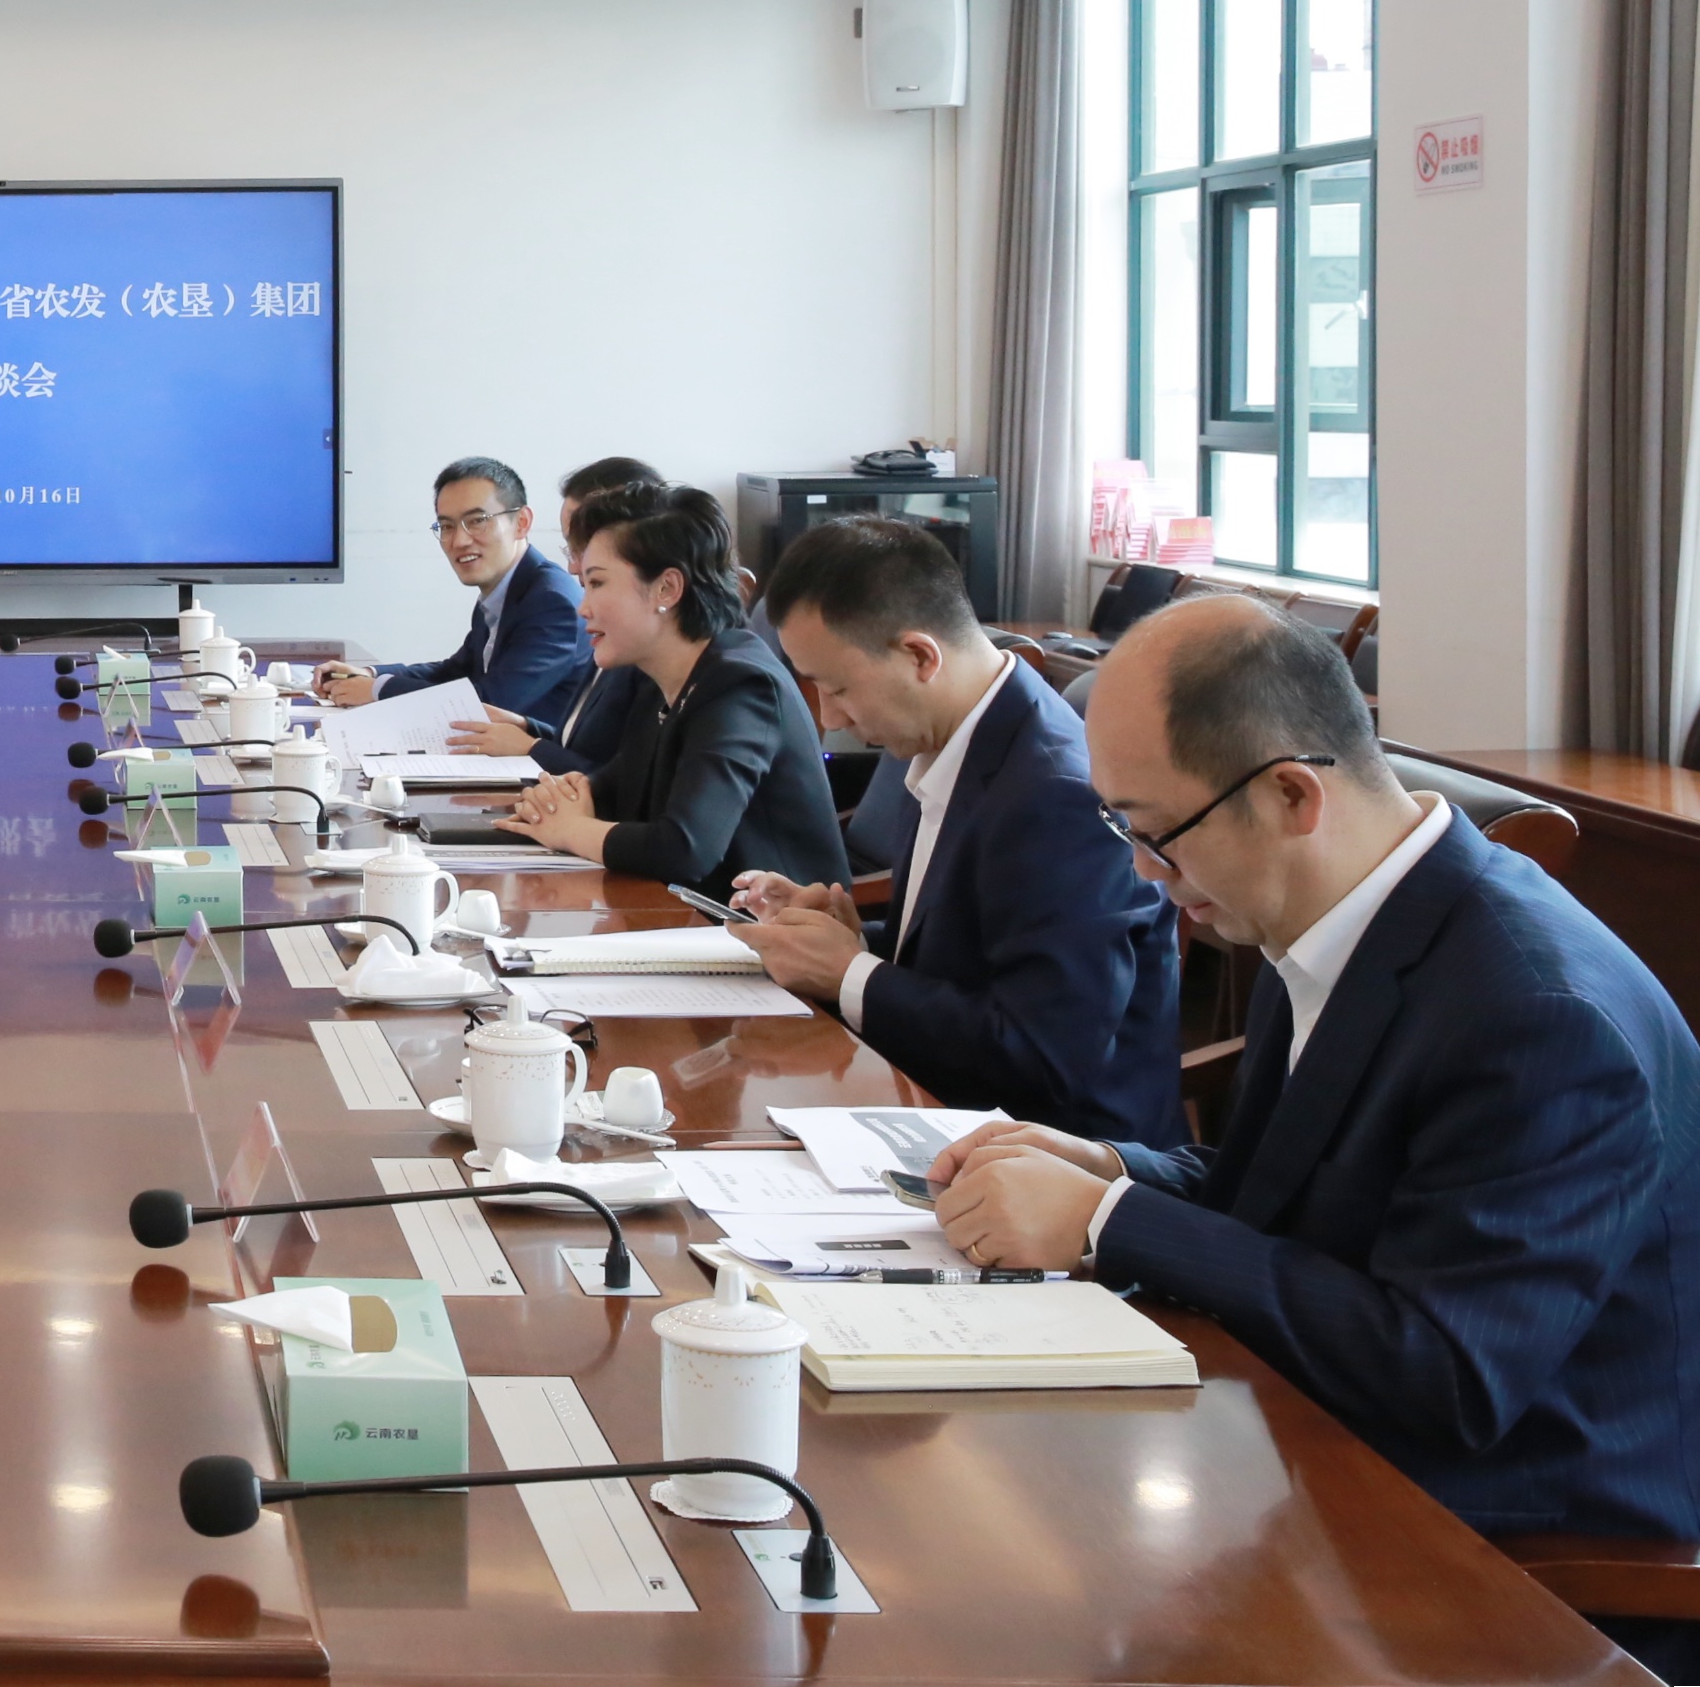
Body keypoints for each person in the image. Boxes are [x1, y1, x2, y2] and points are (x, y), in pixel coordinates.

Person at [927, 599, 1700, 1649]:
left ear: (1292, 793)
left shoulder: (1538, 1018)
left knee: (1023, 1610)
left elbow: (1446, 1372)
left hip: (1515, 1550)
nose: (1143, 873)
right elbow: (1295, 1193)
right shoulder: (1343, 915)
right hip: (1326, 1443)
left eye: (1156, 833)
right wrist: (1109, 1167)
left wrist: (1109, 1221)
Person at [725, 517, 1181, 1143]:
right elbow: (972, 950)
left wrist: (851, 973)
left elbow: (1044, 1054)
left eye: (837, 688)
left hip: (1056, 1155)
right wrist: (845, 938)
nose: (830, 719)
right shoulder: (961, 737)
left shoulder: (1058, 796)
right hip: (942, 1106)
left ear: (920, 656)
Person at [501, 482, 840, 886]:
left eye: (597, 583)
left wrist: (571, 830)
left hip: (764, 920)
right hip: (684, 912)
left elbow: (686, 849)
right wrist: (571, 794)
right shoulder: (664, 675)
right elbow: (617, 787)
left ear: (667, 588)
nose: (583, 608)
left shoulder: (741, 684)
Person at [314, 457, 586, 717]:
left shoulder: (551, 601)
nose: (459, 541)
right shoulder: (504, 590)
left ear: (522, 523)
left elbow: (492, 703)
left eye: (477, 521)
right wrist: (371, 674)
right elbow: (454, 672)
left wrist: (377, 690)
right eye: (447, 526)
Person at [451, 455, 662, 774]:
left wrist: (532, 747)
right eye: (570, 545)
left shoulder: (654, 657)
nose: (573, 566)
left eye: (585, 543)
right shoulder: (615, 633)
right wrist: (527, 728)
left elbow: (626, 784)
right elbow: (586, 746)